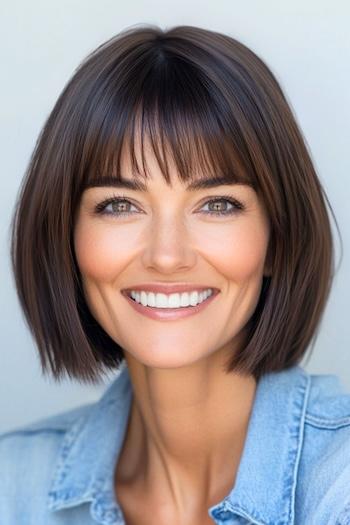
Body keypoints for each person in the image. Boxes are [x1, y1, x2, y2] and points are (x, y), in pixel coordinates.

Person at [1, 23, 350, 525]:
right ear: (67, 239)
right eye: (119, 204)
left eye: (218, 204)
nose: (167, 255)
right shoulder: (13, 489)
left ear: (279, 239)